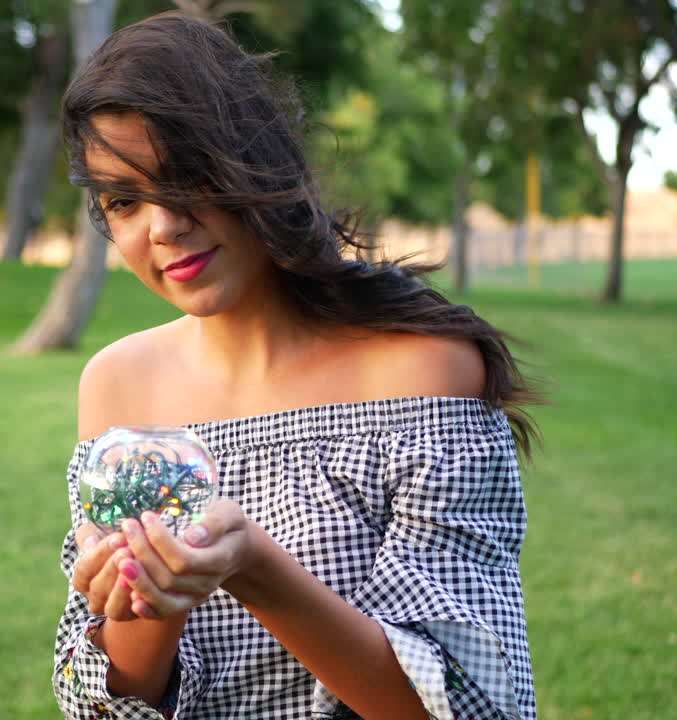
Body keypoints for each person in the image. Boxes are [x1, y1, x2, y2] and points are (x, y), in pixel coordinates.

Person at [53, 13, 538, 720]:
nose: (161, 225)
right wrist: (148, 598)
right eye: (124, 201)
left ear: (254, 161)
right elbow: (102, 702)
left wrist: (252, 564)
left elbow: (467, 703)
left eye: (185, 176)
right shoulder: (118, 387)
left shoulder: (424, 371)